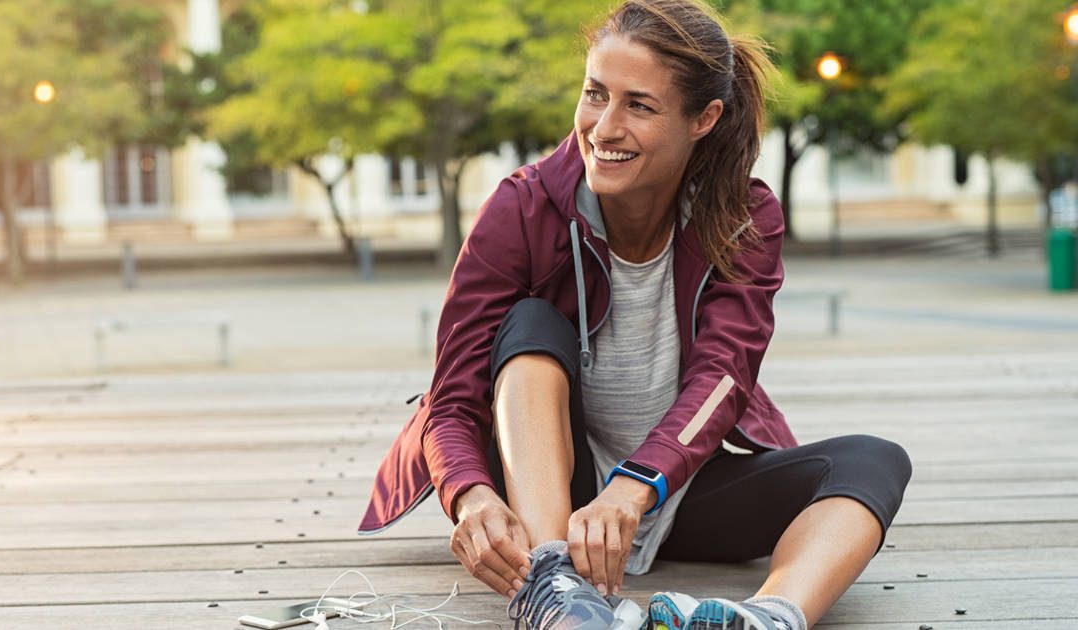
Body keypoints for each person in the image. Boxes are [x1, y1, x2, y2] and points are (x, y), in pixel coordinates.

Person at [359, 1, 912, 628]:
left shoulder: (743, 217)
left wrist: (636, 485)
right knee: (531, 324)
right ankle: (553, 584)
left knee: (874, 459)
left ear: (703, 119)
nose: (604, 128)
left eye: (639, 105)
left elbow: (724, 377)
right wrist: (470, 495)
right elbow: (452, 398)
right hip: (556, 502)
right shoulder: (523, 208)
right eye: (596, 94)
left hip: (674, 491)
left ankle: (769, 618)